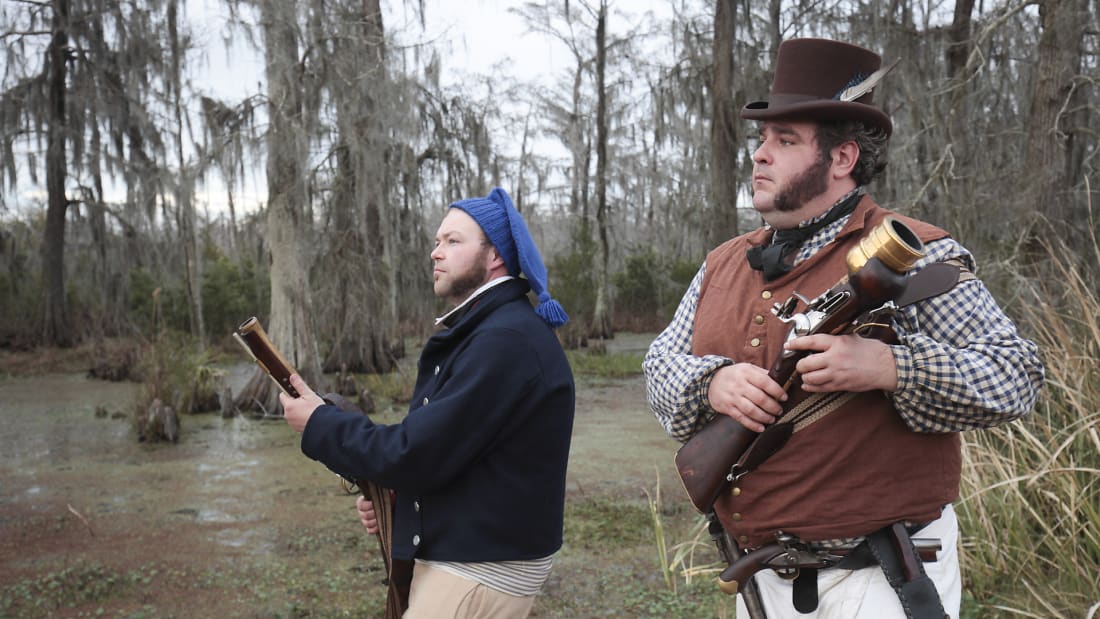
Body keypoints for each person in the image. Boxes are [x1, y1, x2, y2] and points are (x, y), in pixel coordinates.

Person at [643, 38, 1043, 618]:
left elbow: (1016, 376)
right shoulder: (721, 263)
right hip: (761, 580)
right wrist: (712, 384)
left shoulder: (918, 254)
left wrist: (892, 367)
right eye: (762, 139)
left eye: (785, 141)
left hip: (882, 578)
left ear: (842, 158)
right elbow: (658, 367)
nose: (760, 155)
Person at [281, 187, 575, 618]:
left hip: (477, 572)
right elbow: (458, 454)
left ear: (495, 255)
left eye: (453, 241)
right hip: (469, 561)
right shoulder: (491, 332)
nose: (436, 252)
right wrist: (398, 502)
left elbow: (416, 453)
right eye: (437, 241)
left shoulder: (504, 341)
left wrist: (319, 424)